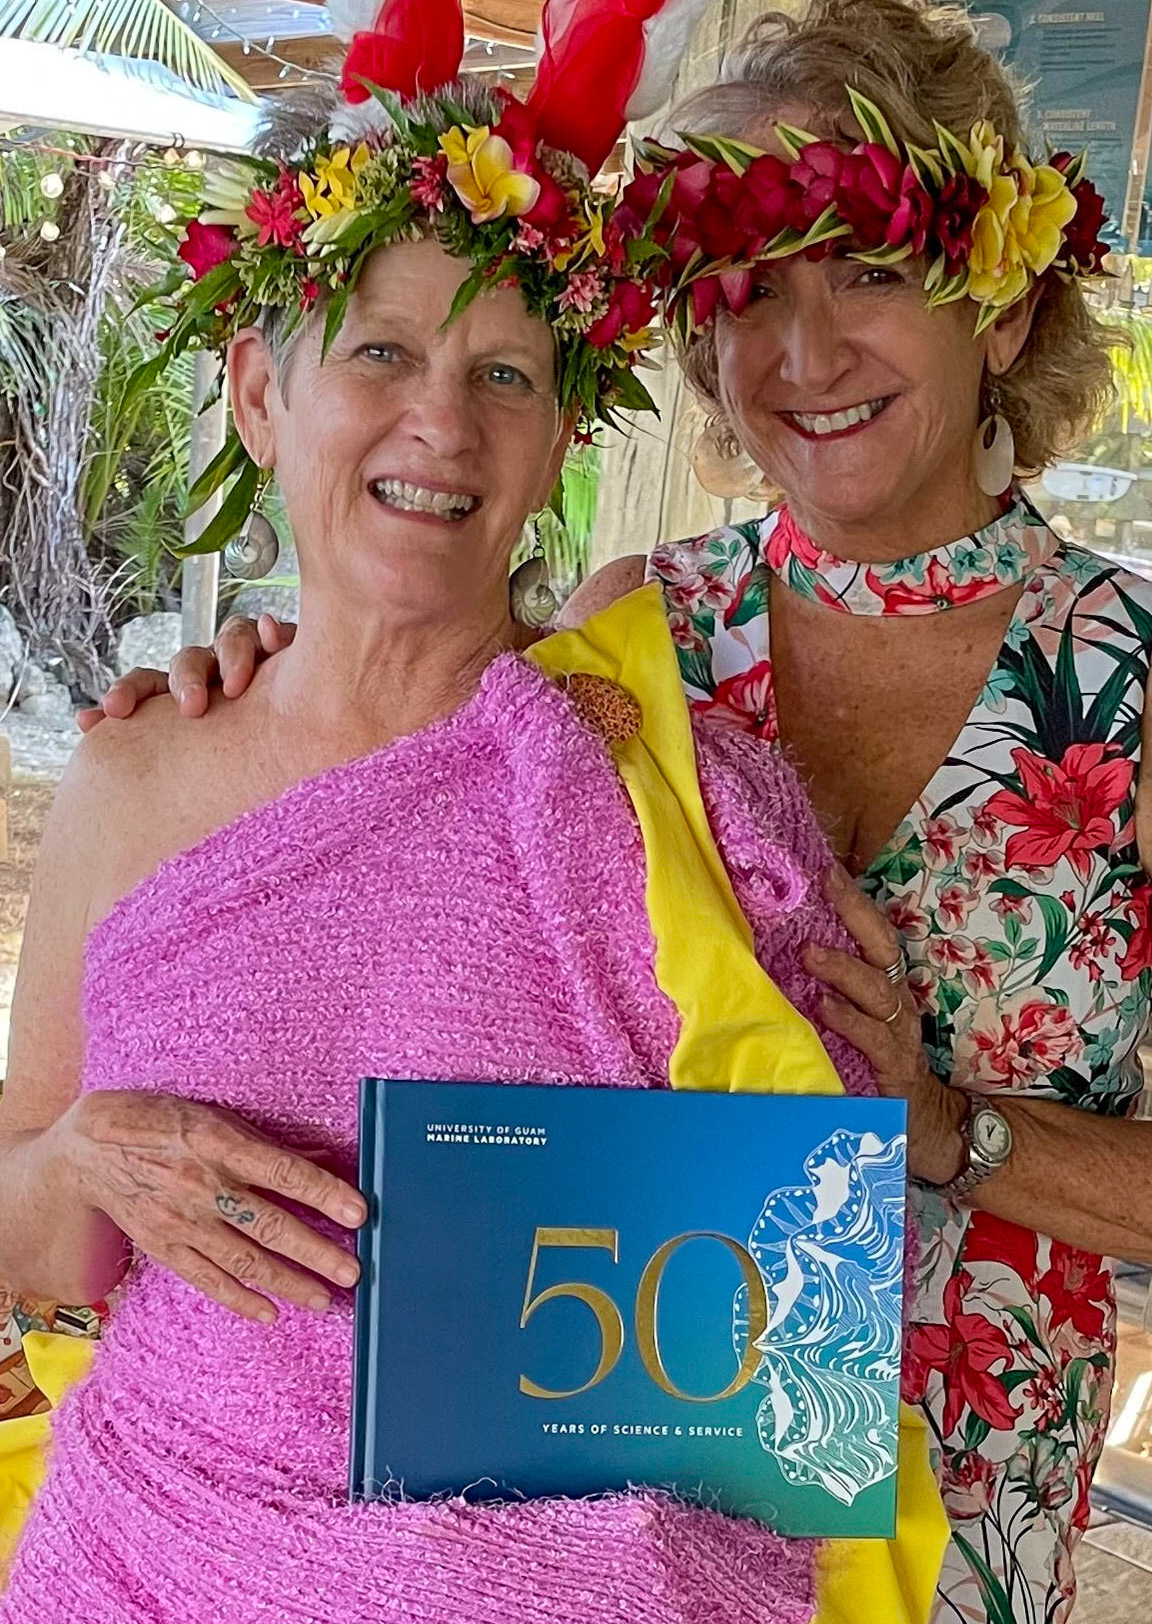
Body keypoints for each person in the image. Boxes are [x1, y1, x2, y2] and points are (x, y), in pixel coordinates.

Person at [121, 1, 1152, 1618]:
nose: (800, 356)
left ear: (1000, 303)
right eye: (748, 291)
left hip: (953, 1493)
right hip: (617, 1494)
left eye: (866, 272)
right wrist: (258, 673)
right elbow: (381, 791)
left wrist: (946, 1131)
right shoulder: (628, 630)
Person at [0, 3, 955, 1618]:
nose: (440, 423)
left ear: (557, 445)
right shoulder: (135, 772)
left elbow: (798, 1355)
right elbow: (32, 1252)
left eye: (504, 372)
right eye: (381, 352)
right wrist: (90, 1159)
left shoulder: (682, 799)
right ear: (257, 392)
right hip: (149, 1562)